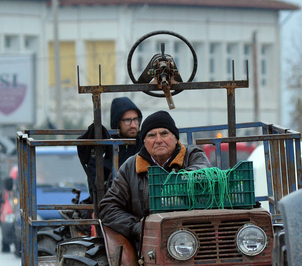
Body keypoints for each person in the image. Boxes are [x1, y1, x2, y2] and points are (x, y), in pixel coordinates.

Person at [98, 110, 211, 244]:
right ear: (144, 141)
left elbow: (202, 173)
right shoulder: (130, 167)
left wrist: (175, 182)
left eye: (164, 134)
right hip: (149, 244)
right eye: (151, 135)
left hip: (192, 238)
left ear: (175, 137)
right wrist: (138, 227)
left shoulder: (194, 156)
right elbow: (108, 207)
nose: (158, 140)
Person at [77, 96, 144, 199]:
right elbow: (95, 183)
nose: (133, 124)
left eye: (136, 119)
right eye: (127, 120)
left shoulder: (144, 144)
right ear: (117, 122)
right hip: (111, 202)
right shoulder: (105, 148)